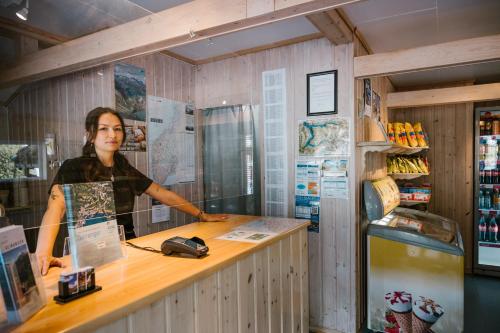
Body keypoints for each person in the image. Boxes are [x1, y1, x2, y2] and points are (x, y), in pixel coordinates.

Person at [36, 107, 227, 275]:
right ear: (91, 135)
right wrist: (43, 253)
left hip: (126, 249)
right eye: (104, 129)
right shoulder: (73, 167)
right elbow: (56, 208)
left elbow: (162, 193)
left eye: (118, 129)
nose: (112, 134)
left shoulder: (124, 169)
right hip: (88, 256)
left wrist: (201, 214)